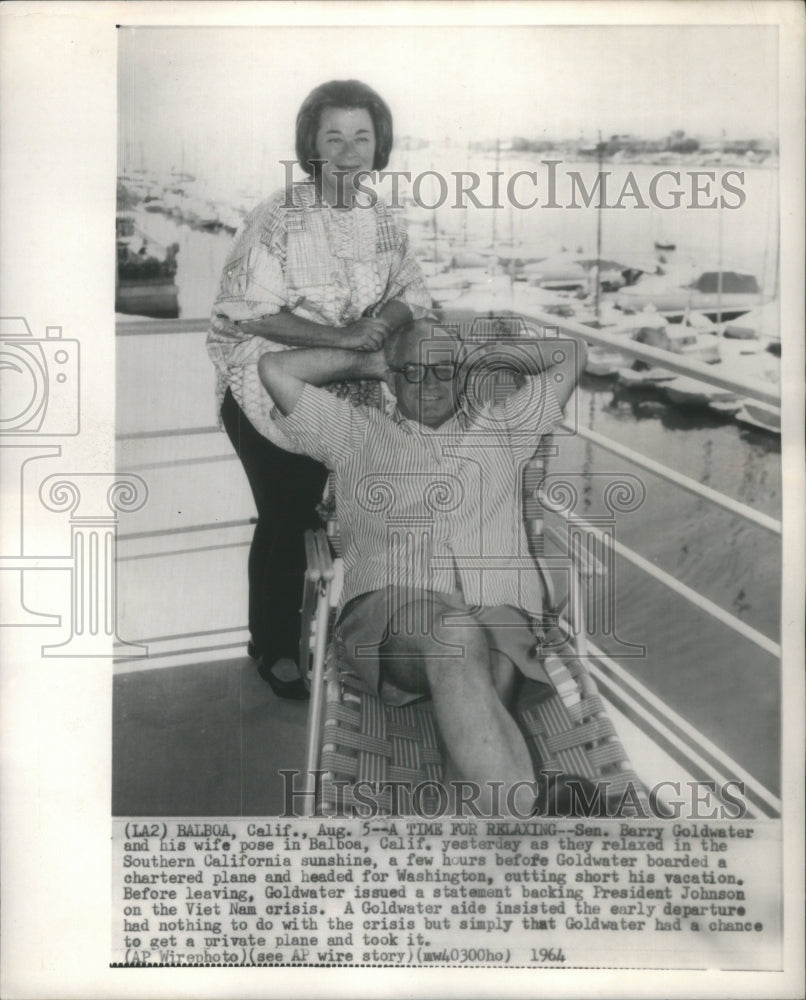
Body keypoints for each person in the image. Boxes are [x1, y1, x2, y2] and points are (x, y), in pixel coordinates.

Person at [257, 318, 591, 816]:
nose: (431, 383)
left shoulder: (505, 426)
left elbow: (572, 351)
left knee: (486, 661)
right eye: (413, 373)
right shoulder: (353, 432)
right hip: (395, 618)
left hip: (501, 613)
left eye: (443, 370)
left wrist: (473, 353)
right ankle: (531, 820)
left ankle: (492, 827)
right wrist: (376, 358)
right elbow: (274, 368)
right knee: (454, 634)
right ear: (390, 381)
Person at [207, 80, 431, 698]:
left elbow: (410, 292)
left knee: (304, 521)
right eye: (335, 136)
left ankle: (283, 636)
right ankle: (278, 650)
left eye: (362, 136)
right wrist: (343, 338)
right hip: (265, 390)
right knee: (290, 517)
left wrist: (380, 325)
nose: (350, 150)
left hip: (344, 389)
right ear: (311, 144)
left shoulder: (383, 218)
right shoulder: (278, 216)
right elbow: (247, 311)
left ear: (378, 145)